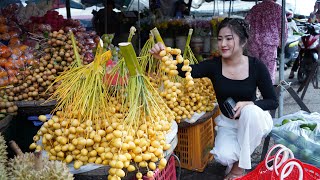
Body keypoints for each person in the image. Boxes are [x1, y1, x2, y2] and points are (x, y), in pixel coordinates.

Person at [150, 18, 278, 180]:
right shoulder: (214, 66)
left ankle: (238, 169)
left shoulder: (256, 66)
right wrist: (163, 56)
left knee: (250, 112)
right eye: (220, 39)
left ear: (243, 41)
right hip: (230, 123)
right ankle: (244, 149)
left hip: (253, 119)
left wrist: (250, 103)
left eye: (229, 38)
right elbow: (185, 71)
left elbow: (272, 101)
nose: (223, 43)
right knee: (223, 156)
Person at [245, 0, 288, 85]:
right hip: (269, 44)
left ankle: (253, 92)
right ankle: (266, 93)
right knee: (268, 70)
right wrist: (283, 43)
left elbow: (245, 22)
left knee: (252, 68)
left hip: (253, 42)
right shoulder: (278, 8)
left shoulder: (255, 8)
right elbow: (283, 27)